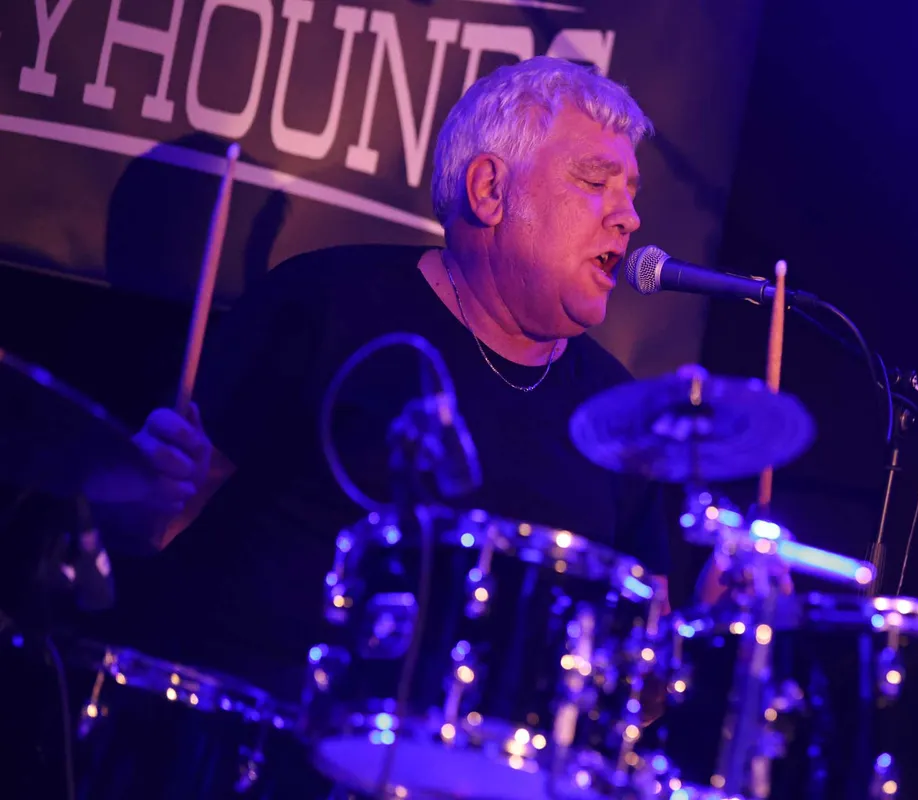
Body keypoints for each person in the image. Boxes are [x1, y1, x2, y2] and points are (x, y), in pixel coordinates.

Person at [97, 55, 670, 711]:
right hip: (270, 736)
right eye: (596, 181)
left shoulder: (622, 414)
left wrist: (714, 645)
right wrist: (137, 502)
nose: (629, 217)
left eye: (632, 192)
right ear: (489, 190)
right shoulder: (322, 304)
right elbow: (159, 530)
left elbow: (641, 685)